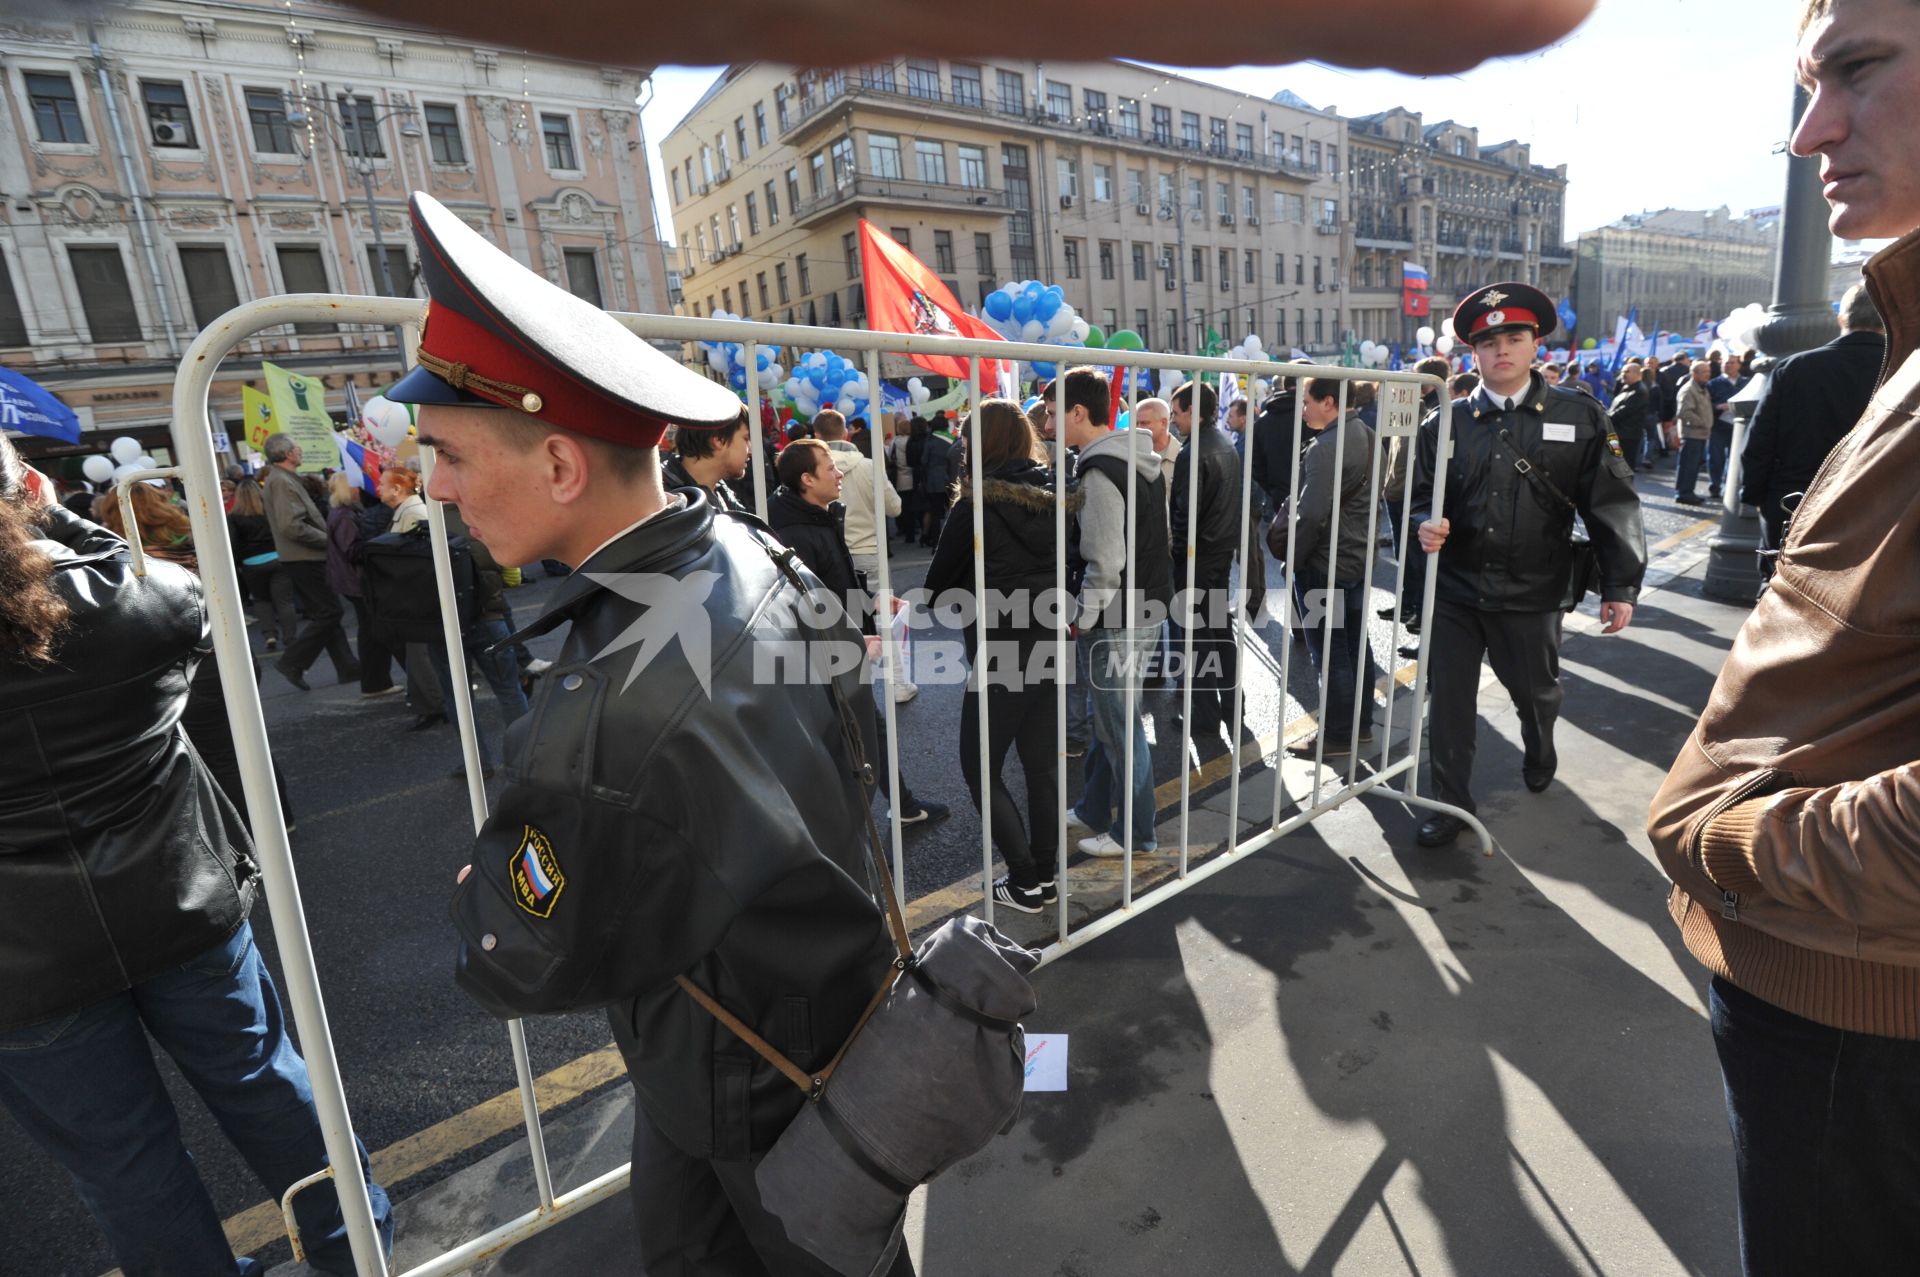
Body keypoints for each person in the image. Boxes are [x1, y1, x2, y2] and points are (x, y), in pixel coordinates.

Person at [385, 191, 917, 1276]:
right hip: (804, 1006)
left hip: (743, 1062)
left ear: (562, 467)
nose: (432, 487)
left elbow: (519, 950)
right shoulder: (743, 544)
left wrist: (480, 884)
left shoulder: (613, 707)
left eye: (446, 452)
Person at [1649, 6, 1920, 1270]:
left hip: (1853, 1012)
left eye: (1857, 70)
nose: (1810, 131)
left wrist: (1738, 841)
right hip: (1833, 985)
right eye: (1807, 86)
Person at [0, 436, 391, 1277]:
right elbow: (148, 570)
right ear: (26, 492)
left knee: (123, 1163)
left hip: (23, 965)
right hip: (179, 901)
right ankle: (357, 1252)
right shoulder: (129, 602)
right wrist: (51, 508)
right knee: (268, 1084)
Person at [1410, 281, 1646, 848]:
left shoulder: (1583, 415)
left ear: (1535, 343)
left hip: (1534, 592)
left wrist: (1621, 585)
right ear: (1473, 354)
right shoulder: (1443, 423)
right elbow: (1415, 496)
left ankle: (1540, 746)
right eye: (1488, 343)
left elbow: (1611, 502)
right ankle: (1450, 805)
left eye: (1513, 337)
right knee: (1448, 707)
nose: (1501, 351)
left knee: (1536, 694)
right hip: (1457, 592)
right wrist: (1423, 521)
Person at [923, 400, 1067, 913]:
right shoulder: (1058, 497)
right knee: (1042, 768)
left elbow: (937, 589)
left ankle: (1026, 882)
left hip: (999, 649)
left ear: (977, 446)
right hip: (1050, 643)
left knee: (979, 767)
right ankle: (1046, 879)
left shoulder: (974, 506)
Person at [769, 438, 947, 829]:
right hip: (828, 657)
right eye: (830, 468)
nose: (839, 474)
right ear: (806, 479)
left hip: (840, 647)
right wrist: (850, 640)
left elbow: (835, 586)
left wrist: (873, 604)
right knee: (854, 733)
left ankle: (898, 806)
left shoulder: (817, 516)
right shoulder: (795, 530)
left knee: (862, 731)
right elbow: (806, 609)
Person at [1062, 366, 1169, 857]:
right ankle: (1091, 808)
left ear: (1078, 413)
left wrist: (1082, 618)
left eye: (1052, 414)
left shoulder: (1100, 470)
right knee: (1111, 720)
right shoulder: (1137, 458)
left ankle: (1136, 834)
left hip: (1117, 615)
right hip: (1145, 606)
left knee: (1120, 728)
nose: (1047, 425)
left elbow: (1105, 562)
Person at [1740, 282, 1886, 576]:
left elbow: (1760, 441)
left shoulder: (1795, 368)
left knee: (1782, 589)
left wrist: (1756, 496)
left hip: (1794, 502)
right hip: (1876, 510)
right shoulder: (1905, 371)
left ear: (1841, 318)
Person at [1271, 377, 1382, 759]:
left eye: (1307, 402)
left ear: (1329, 402)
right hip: (1356, 558)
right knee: (1355, 646)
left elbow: (1311, 513)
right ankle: (1361, 727)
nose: (1303, 409)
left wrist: (1293, 560)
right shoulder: (1368, 434)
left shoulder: (1324, 448)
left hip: (1325, 564)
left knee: (1331, 654)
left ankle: (1335, 737)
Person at [1168, 378, 1244, 740]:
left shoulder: (1192, 451)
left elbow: (1184, 515)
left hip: (1197, 560)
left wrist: (1177, 557)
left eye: (1177, 413)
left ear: (1194, 413)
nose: (1173, 420)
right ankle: (1232, 707)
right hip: (1218, 555)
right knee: (1220, 634)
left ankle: (1204, 717)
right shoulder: (1224, 443)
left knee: (1197, 643)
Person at [260, 433, 358, 691]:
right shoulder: (281, 482)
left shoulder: (284, 479)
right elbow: (291, 526)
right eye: (296, 446)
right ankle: (292, 662)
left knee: (326, 612)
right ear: (288, 454)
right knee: (330, 612)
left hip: (304, 556)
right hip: (305, 557)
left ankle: (347, 667)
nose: (300, 450)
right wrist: (329, 540)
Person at [325, 474, 400, 698]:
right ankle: (375, 682)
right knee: (374, 631)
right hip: (356, 581)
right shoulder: (346, 516)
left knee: (371, 630)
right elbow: (353, 550)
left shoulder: (343, 513)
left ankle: (375, 682)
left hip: (350, 581)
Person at [229, 478, 294, 653]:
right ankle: (290, 637)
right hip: (277, 558)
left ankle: (270, 635)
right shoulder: (269, 511)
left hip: (251, 564)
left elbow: (233, 544)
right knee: (284, 602)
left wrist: (237, 564)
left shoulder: (234, 517)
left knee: (261, 600)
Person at [662, 405, 751, 513]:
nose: (750, 450)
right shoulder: (663, 499)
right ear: (719, 439)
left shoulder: (722, 492)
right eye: (746, 438)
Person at [1707, 352, 1751, 499]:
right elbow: (1705, 405)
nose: (1729, 365)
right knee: (1716, 458)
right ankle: (1715, 485)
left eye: (1732, 362)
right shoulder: (1713, 384)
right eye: (1726, 363)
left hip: (1739, 426)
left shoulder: (1746, 382)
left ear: (1739, 365)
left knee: (1734, 458)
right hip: (1719, 425)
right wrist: (1718, 407)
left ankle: (1729, 487)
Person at [1674, 359, 1716, 505]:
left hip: (1699, 434)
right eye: (1704, 372)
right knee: (1688, 466)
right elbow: (1685, 413)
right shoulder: (1688, 390)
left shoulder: (1702, 388)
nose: (1707, 375)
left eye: (1708, 372)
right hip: (1692, 434)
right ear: (1694, 374)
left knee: (1692, 465)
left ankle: (1686, 491)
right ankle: (1684, 493)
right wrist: (1703, 423)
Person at [1607, 362, 1659, 475]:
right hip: (1617, 434)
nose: (1623, 374)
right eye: (1623, 371)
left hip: (1626, 436)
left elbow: (1624, 411)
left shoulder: (1639, 391)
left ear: (1637, 374)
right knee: (1613, 464)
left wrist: (1605, 416)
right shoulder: (1627, 387)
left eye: (1626, 372)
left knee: (1623, 466)